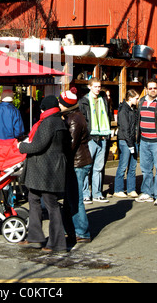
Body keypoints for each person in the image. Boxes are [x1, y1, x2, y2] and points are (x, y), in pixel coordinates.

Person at [18, 95, 67, 253]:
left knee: (51, 204)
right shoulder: (59, 120)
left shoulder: (48, 122)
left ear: (44, 108)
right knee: (34, 199)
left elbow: (38, 146)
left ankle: (56, 243)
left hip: (45, 170)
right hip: (48, 169)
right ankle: (35, 236)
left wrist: (21, 146)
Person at [59, 89, 92, 243]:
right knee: (69, 198)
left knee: (75, 198)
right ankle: (70, 229)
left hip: (78, 163)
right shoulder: (74, 116)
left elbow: (70, 145)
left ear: (66, 104)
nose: (58, 104)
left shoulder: (73, 119)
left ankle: (82, 232)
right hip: (78, 162)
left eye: (60, 102)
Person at [135, 79, 157, 206]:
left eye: (155, 88)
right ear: (146, 89)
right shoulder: (141, 101)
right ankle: (147, 193)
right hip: (144, 141)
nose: (152, 90)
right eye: (150, 88)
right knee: (145, 169)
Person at [79, 77, 112, 203]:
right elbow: (82, 120)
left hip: (103, 136)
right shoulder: (84, 101)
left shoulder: (103, 100)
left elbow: (107, 116)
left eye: (99, 86)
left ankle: (97, 193)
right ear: (90, 87)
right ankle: (86, 193)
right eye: (95, 86)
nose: (98, 88)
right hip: (90, 137)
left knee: (98, 168)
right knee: (87, 167)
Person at [114, 90, 140, 198]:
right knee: (123, 165)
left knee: (133, 166)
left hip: (132, 140)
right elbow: (125, 129)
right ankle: (118, 189)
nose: (137, 100)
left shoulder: (132, 109)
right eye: (136, 98)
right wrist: (130, 144)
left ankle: (131, 189)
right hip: (125, 141)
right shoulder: (123, 110)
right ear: (130, 98)